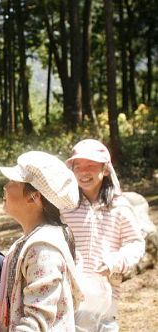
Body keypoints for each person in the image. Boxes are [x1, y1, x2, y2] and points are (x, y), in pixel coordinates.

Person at [0, 151, 84, 331]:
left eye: (13, 182)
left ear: (34, 197)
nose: (5, 187)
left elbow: (36, 321)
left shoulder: (43, 250)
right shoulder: (26, 244)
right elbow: (7, 306)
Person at [62, 139, 145, 331]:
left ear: (106, 169)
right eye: (78, 166)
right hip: (68, 300)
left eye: (91, 165)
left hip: (105, 302)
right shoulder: (65, 207)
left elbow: (135, 243)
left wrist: (115, 262)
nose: (83, 172)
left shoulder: (119, 207)